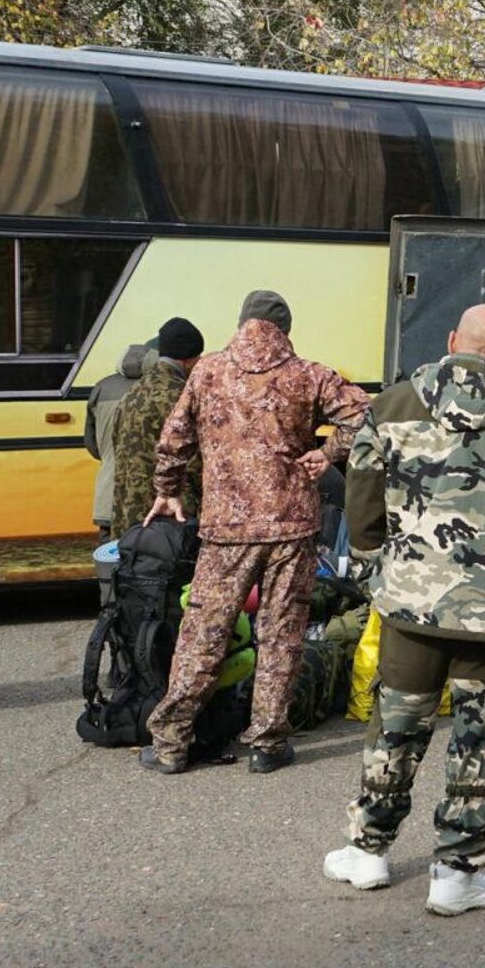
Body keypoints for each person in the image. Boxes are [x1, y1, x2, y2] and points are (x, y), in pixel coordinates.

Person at [325, 303, 485, 915]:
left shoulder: (393, 404)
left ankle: (368, 851)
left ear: (453, 341)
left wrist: (374, 555)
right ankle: (456, 874)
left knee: (398, 726)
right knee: (479, 738)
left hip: (411, 601)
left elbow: (361, 492)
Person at [139, 291, 367, 774]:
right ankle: (267, 742)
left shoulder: (207, 371)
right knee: (281, 633)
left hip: (226, 528)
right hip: (292, 526)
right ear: (286, 328)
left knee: (205, 631)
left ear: (242, 322)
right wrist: (328, 454)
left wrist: (169, 488)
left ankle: (171, 741)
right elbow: (367, 417)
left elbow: (174, 437)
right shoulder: (309, 374)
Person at [111, 319, 204, 539]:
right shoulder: (182, 396)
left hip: (128, 514)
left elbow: (115, 444)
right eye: (198, 358)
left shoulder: (132, 393)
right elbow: (195, 460)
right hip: (170, 515)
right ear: (187, 360)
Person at [87, 341, 155, 543]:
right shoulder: (155, 387)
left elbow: (91, 443)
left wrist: (109, 458)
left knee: (108, 556)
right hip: (145, 495)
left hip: (108, 489)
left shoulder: (101, 387)